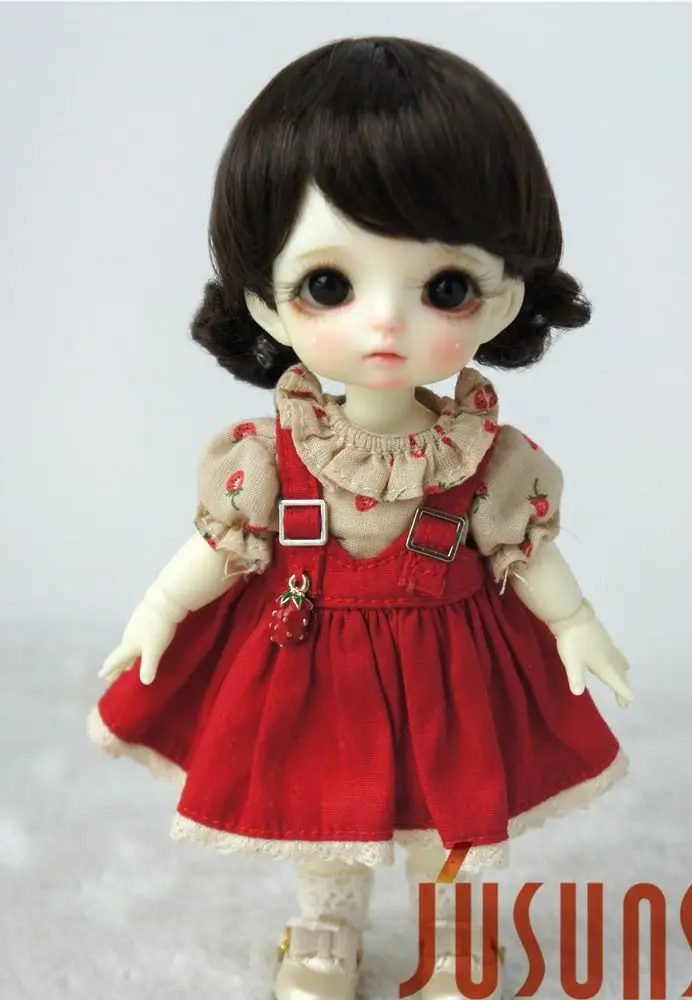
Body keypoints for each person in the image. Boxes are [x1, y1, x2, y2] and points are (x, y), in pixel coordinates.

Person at [88, 36, 634, 1000]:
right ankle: (325, 928)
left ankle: (455, 933)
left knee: (450, 810)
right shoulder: (272, 456)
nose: (385, 322)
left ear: (504, 299)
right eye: (330, 285)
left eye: (444, 288)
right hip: (314, 662)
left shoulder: (485, 458)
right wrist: (160, 608)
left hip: (448, 664)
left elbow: (522, 549)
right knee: (323, 812)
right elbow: (222, 547)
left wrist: (576, 620)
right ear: (266, 300)